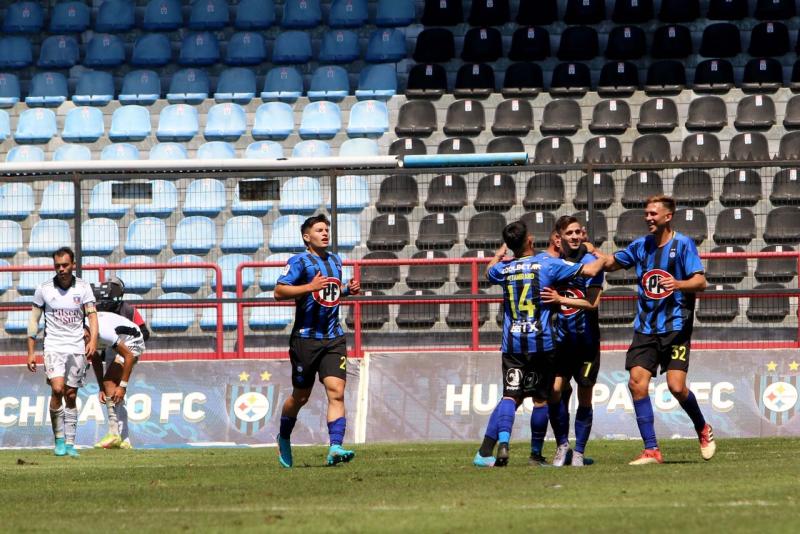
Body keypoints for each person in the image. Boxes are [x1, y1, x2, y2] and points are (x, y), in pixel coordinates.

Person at [473, 221, 605, 467]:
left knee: (510, 396)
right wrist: (595, 252)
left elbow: (488, 272)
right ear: (530, 240)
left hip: (512, 343)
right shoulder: (546, 264)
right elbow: (590, 270)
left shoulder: (505, 269)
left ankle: (501, 444)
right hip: (541, 343)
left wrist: (498, 255)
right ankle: (536, 454)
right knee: (541, 399)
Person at [597, 195, 715, 464]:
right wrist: (591, 254)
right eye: (646, 213)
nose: (648, 217)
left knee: (676, 387)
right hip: (645, 329)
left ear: (667, 216)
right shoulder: (641, 245)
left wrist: (678, 284)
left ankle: (702, 427)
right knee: (636, 383)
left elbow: (701, 282)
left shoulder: (683, 244)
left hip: (676, 328)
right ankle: (651, 449)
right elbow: (612, 263)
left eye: (653, 213)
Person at [273, 214, 361, 468]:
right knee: (301, 397)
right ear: (306, 236)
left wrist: (346, 290)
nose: (325, 233)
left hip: (333, 338)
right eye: (319, 230)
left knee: (337, 391)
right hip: (305, 340)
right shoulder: (299, 262)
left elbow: (329, 293)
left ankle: (335, 447)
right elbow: (279, 291)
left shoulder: (335, 261)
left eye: (326, 230)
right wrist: (308, 287)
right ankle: (284, 436)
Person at [539, 216, 604, 467]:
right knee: (554, 391)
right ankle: (562, 446)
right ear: (559, 238)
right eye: (569, 233)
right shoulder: (552, 265)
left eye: (578, 232)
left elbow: (593, 303)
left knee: (585, 395)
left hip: (587, 343)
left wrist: (560, 300)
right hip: (561, 342)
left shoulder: (591, 263)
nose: (575, 236)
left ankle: (579, 452)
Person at [26, 247, 98, 457]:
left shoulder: (83, 288)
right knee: (57, 389)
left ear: (73, 265)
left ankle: (70, 443)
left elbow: (92, 316)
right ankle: (58, 440)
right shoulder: (44, 289)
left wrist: (93, 340)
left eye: (65, 265)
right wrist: (31, 351)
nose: (61, 269)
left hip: (76, 346)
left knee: (71, 394)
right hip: (54, 346)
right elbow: (33, 320)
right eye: (57, 265)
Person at [91, 276, 149, 449]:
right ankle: (123, 439)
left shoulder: (128, 310)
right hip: (111, 349)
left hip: (126, 346)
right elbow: (94, 355)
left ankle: (116, 434)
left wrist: (122, 346)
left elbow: (144, 332)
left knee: (112, 385)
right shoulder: (96, 311)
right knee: (112, 392)